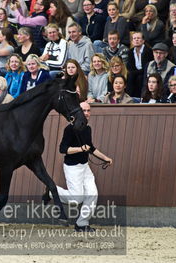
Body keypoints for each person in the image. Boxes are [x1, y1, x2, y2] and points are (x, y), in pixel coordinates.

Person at [44, 101, 112, 232]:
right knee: (77, 198)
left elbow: (91, 148)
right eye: (84, 111)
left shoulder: (88, 129)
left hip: (85, 167)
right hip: (72, 167)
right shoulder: (69, 129)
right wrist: (80, 149)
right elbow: (63, 149)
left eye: (88, 111)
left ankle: (81, 223)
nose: (86, 113)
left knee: (93, 194)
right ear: (78, 112)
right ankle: (52, 191)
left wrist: (105, 158)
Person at [127, 32, 153, 98]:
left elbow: (147, 67)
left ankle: (140, 98)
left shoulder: (148, 51)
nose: (136, 40)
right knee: (129, 76)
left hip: (146, 72)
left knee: (139, 78)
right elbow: (130, 66)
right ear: (132, 41)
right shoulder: (130, 52)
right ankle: (129, 98)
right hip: (135, 73)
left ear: (143, 40)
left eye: (138, 38)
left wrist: (134, 73)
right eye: (134, 38)